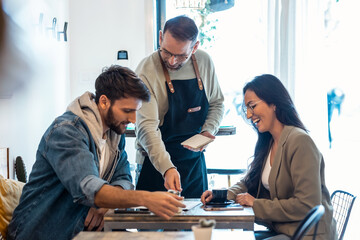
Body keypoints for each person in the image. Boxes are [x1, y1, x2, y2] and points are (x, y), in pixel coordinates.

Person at [7, 65, 185, 240]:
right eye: (127, 111)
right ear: (104, 101)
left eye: (136, 111)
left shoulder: (114, 134)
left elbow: (123, 179)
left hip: (82, 230)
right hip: (41, 232)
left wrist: (103, 206)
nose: (133, 120)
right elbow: (90, 189)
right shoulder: (67, 132)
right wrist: (146, 198)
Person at [201, 74, 337, 240]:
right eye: (247, 109)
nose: (249, 115)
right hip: (283, 231)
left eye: (252, 106)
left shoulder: (300, 141)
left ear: (273, 103)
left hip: (306, 235)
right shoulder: (269, 142)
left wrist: (256, 204)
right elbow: (248, 182)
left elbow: (307, 205)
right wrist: (221, 195)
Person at [135, 15, 224, 198]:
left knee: (196, 222)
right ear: (160, 38)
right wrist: (167, 168)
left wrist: (208, 131)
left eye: (181, 55)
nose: (172, 61)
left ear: (195, 47)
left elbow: (217, 103)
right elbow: (146, 127)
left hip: (193, 164)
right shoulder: (147, 70)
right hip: (155, 162)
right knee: (152, 226)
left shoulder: (204, 62)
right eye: (167, 52)